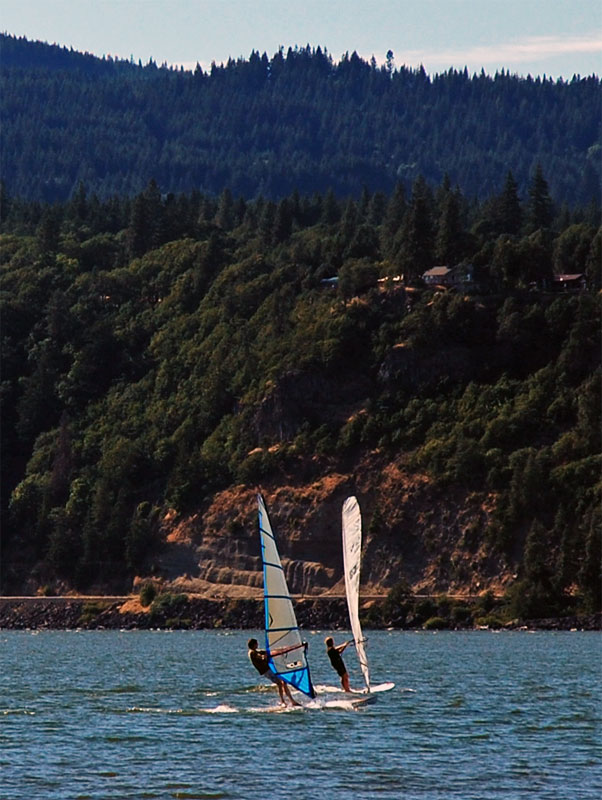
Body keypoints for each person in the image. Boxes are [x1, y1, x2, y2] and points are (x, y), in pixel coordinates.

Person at [247, 638, 301, 706]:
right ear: (254, 644)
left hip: (269, 669)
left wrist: (284, 649)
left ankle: (291, 701)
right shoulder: (252, 653)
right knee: (280, 683)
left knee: (283, 682)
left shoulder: (256, 651)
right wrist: (265, 656)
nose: (258, 644)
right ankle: (283, 701)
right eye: (257, 643)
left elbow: (268, 652)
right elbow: (261, 657)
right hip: (266, 671)